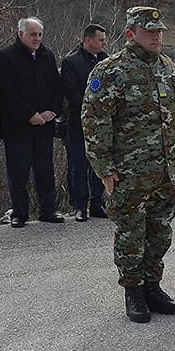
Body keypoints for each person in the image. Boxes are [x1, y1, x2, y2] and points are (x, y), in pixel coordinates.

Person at [83, 6, 175, 324]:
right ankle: (133, 291)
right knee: (131, 234)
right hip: (128, 173)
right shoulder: (109, 71)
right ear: (131, 33)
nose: (156, 37)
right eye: (149, 32)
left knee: (160, 232)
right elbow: (94, 121)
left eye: (159, 31)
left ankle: (153, 287)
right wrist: (105, 168)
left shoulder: (170, 69)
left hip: (166, 172)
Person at [0, 17, 64, 227]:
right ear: (21, 34)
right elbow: (7, 93)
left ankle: (48, 209)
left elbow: (57, 87)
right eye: (33, 34)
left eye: (40, 34)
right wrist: (30, 114)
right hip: (18, 126)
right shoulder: (6, 57)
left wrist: (53, 111)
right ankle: (19, 213)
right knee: (18, 173)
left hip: (44, 125)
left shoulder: (47, 55)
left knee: (45, 171)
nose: (37, 38)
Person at [61, 24, 109, 221]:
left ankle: (97, 203)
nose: (104, 43)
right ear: (88, 40)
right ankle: (80, 206)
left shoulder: (106, 61)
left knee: (100, 165)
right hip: (78, 123)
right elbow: (71, 93)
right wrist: (91, 110)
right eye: (101, 40)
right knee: (79, 165)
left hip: (102, 124)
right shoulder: (71, 62)